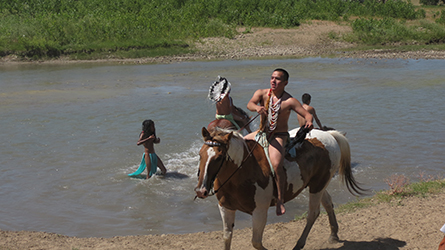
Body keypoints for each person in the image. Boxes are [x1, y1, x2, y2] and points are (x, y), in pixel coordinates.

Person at [244, 68, 313, 216]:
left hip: (278, 136)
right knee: (239, 146)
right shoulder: (261, 93)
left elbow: (307, 114)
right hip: (262, 132)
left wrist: (309, 122)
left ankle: (280, 199)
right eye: (272, 78)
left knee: (276, 164)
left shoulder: (290, 101)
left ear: (285, 82)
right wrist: (257, 108)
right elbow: (249, 104)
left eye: (278, 79)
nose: (273, 81)